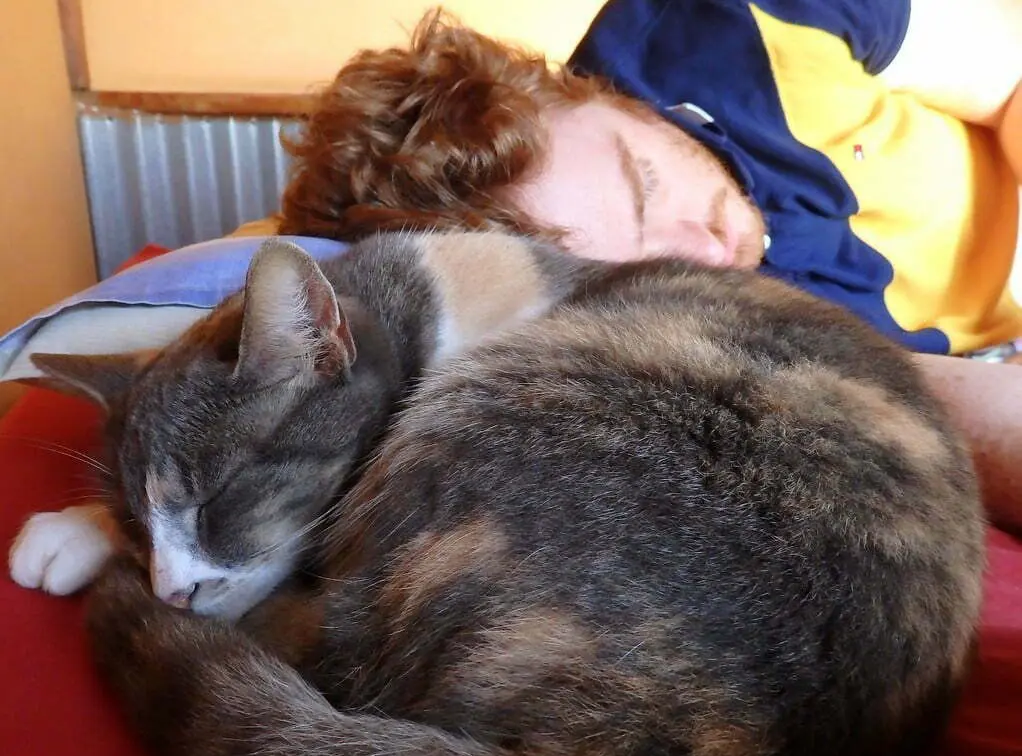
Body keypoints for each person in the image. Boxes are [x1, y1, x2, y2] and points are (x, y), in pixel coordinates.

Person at [277, 0, 1022, 530]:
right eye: (640, 274)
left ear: (605, 97)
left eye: (648, 183)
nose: (707, 257)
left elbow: (1009, 79)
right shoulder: (662, 344)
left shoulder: (738, 20)